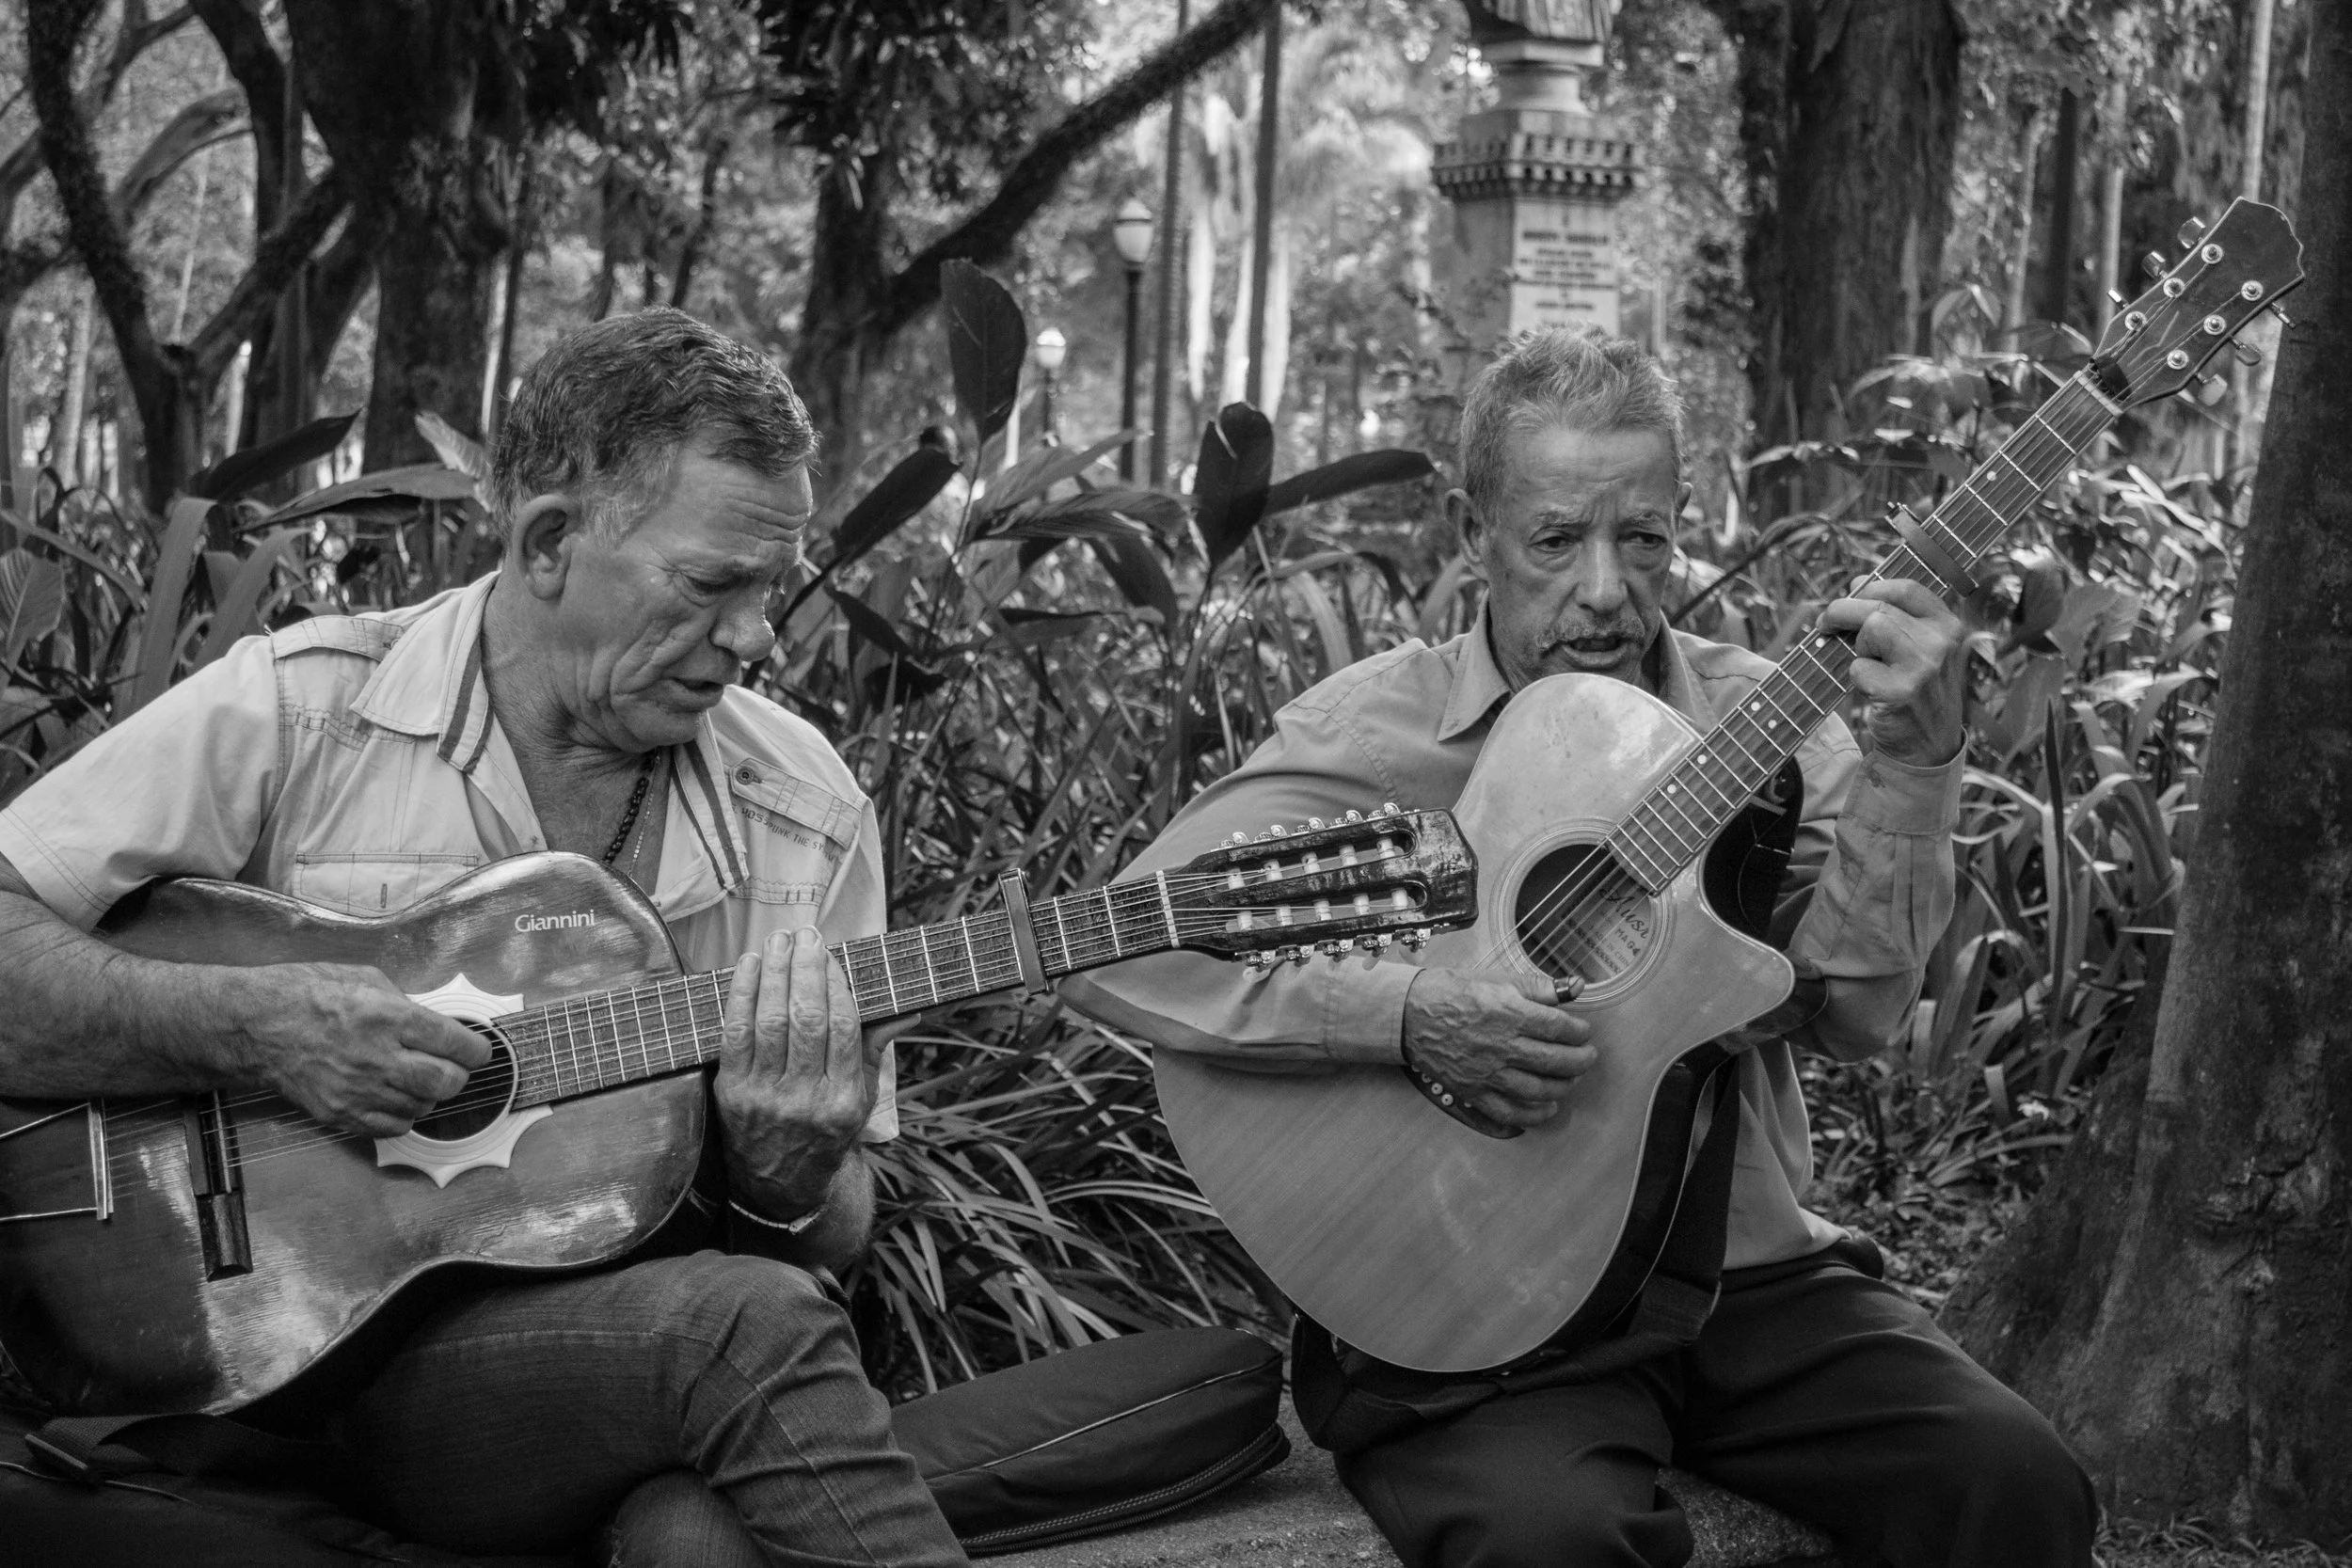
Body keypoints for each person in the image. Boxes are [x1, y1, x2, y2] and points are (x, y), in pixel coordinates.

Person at [1060, 327, 2097, 1568]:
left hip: (1743, 1285)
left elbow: (1863, 1018)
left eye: (1643, 537)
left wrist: (1918, 763)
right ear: (1473, 532)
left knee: (2016, 1487)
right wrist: (1401, 1014)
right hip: (1479, 1308)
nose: (1606, 588)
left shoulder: (1767, 725)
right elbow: (1117, 942)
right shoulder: (1374, 735)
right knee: (1554, 1544)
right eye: (1557, 539)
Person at [0, 309, 968, 1568]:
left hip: (568, 1382)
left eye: (771, 588)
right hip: (258, 1360)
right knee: (727, 1404)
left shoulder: (808, 810)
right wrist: (256, 1028)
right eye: (714, 583)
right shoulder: (299, 710)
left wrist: (793, 1177)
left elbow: (830, 1231)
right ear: (551, 542)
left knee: (705, 1502)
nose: (757, 636)